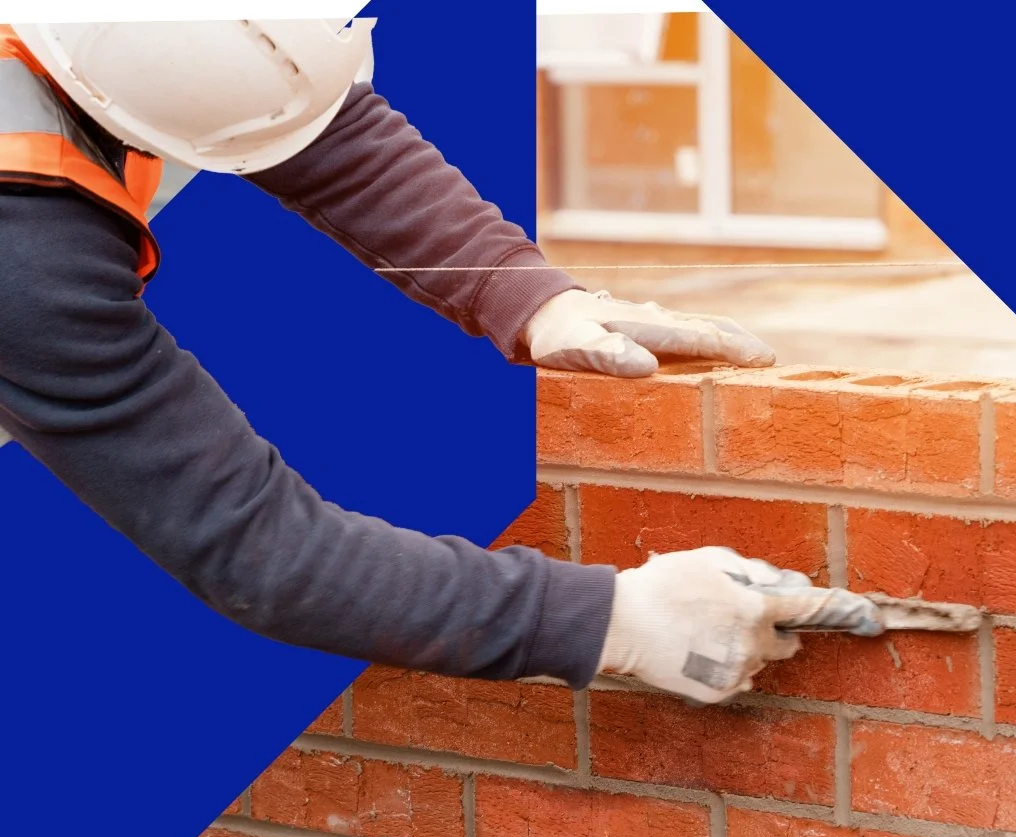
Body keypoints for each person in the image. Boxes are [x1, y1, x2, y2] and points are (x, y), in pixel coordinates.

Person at [0, 19, 884, 707]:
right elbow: (259, 549)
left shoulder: (105, 36)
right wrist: (610, 621)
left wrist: (529, 296)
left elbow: (305, 121)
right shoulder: (28, 258)